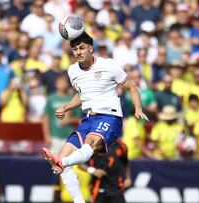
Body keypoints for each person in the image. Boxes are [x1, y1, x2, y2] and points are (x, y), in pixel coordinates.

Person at [41, 32, 148, 203]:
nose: (78, 52)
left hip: (109, 116)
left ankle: (63, 161)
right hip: (88, 119)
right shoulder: (72, 71)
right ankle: (78, 199)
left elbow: (132, 87)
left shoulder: (109, 65)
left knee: (88, 143)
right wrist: (67, 107)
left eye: (82, 48)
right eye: (75, 49)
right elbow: (81, 95)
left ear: (91, 48)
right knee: (61, 158)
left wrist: (137, 108)